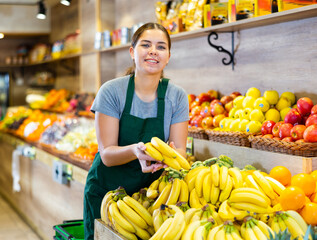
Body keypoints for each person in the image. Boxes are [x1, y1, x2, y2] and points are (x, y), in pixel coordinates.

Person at [83, 22, 189, 240]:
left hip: (150, 198)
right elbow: (107, 155)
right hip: (107, 195)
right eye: (146, 45)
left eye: (161, 47)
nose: (153, 51)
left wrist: (170, 156)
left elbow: (180, 151)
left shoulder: (177, 96)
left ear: (168, 56)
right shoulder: (111, 91)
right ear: (132, 52)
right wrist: (136, 151)